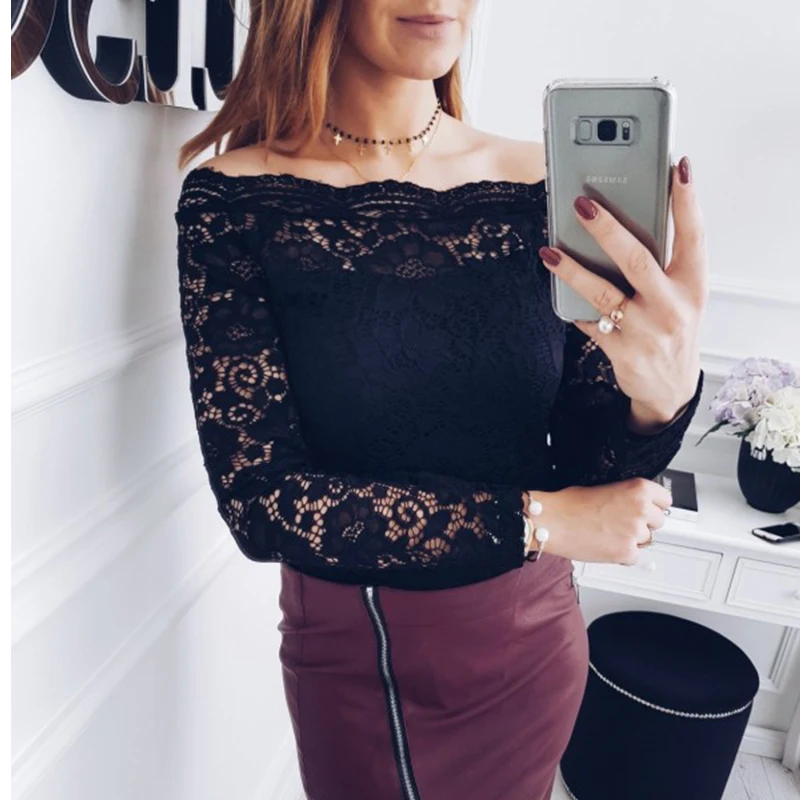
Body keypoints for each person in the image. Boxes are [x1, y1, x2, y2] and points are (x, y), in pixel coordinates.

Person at [173, 1, 708, 797]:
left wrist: (661, 395)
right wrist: (539, 520)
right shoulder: (235, 202)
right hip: (362, 656)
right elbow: (261, 502)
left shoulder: (545, 189)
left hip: (533, 639)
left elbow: (592, 466)